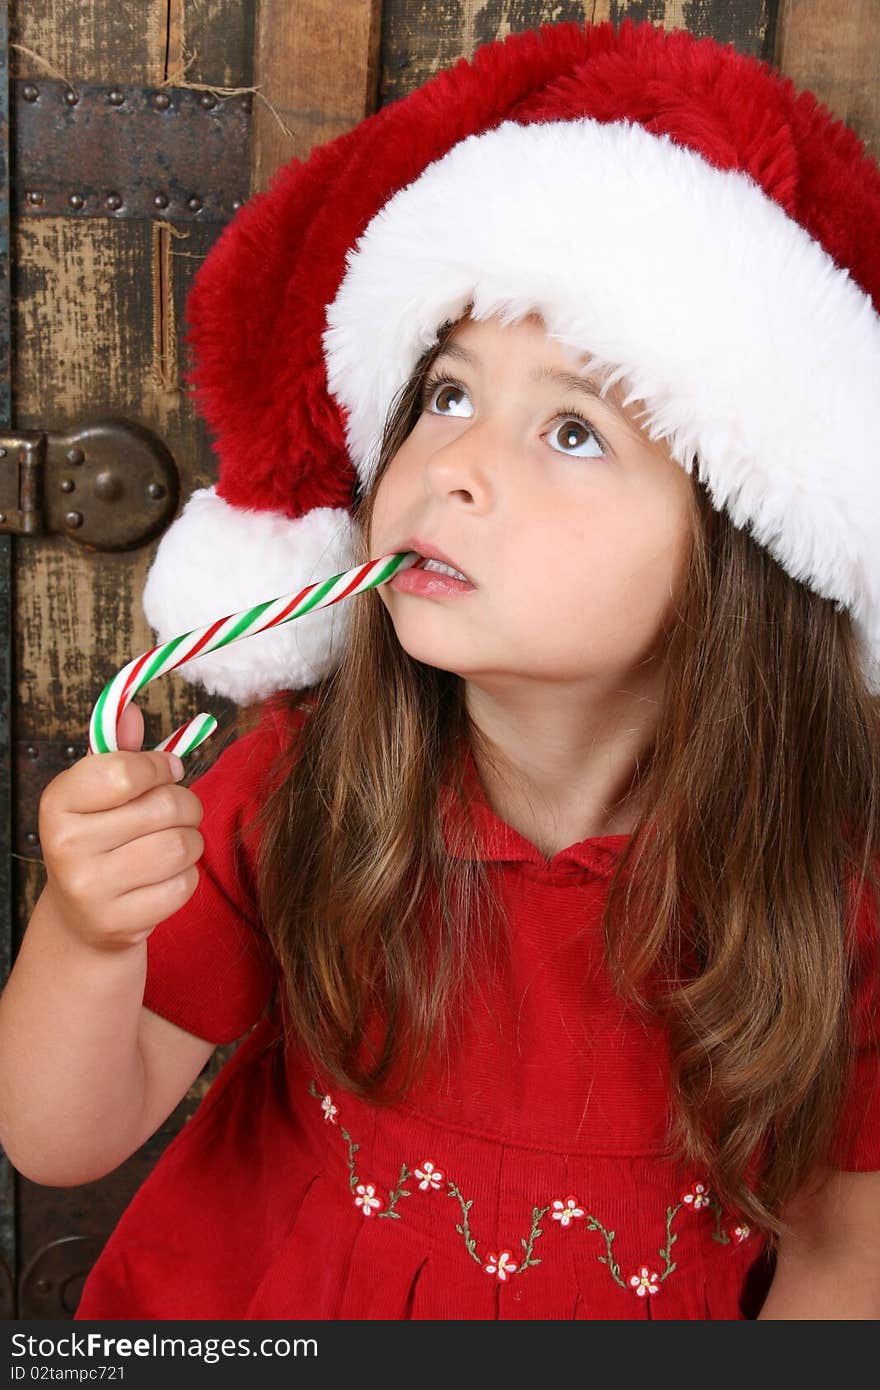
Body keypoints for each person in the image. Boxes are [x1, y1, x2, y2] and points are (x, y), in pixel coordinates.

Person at [1, 16, 879, 1320]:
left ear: (740, 552)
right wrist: (83, 936)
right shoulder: (305, 784)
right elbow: (55, 1137)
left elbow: (843, 1258)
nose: (454, 464)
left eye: (572, 430)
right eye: (449, 395)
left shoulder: (834, 881)